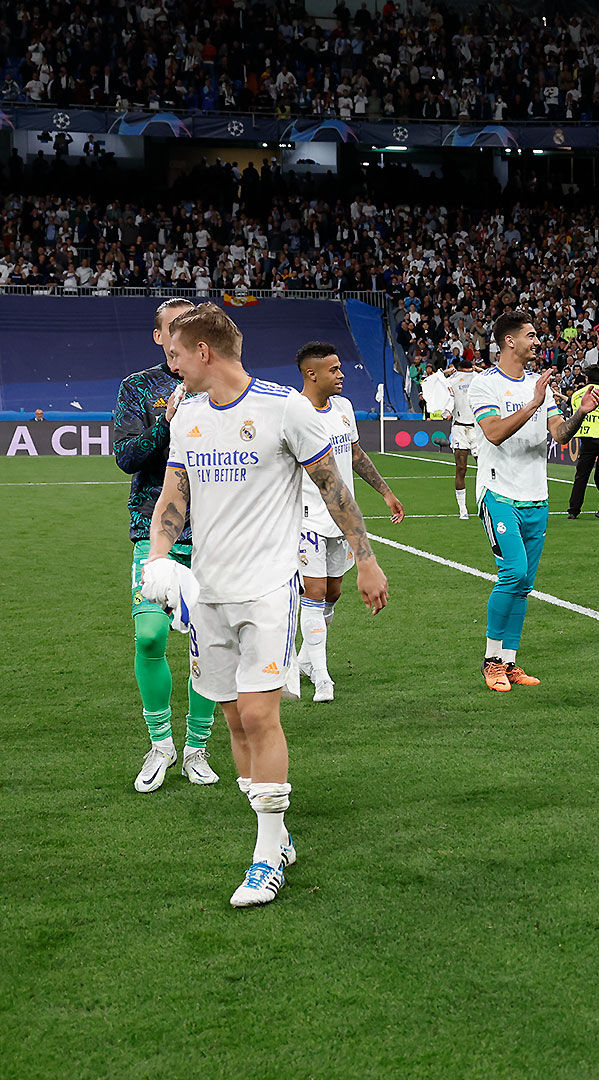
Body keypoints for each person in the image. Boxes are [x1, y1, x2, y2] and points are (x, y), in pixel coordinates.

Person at [143, 303, 389, 907]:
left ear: (204, 351)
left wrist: (365, 559)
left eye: (178, 353)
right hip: (209, 592)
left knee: (259, 715)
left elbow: (333, 487)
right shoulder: (190, 418)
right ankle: (274, 837)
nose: (172, 366)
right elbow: (174, 498)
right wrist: (157, 557)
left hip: (270, 588)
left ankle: (266, 851)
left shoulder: (285, 408)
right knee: (232, 719)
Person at [111, 297, 218, 792]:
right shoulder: (138, 387)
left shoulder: (219, 383)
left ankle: (197, 749)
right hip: (153, 530)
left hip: (215, 533)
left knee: (209, 645)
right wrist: (164, 424)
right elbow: (127, 457)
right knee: (150, 636)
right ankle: (160, 745)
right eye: (173, 329)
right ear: (159, 336)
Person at [470, 311, 599, 692]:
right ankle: (491, 660)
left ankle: (510, 663)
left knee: (524, 583)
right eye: (530, 335)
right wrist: (532, 404)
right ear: (509, 341)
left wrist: (580, 413)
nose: (537, 341)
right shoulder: (485, 385)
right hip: (499, 493)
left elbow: (560, 434)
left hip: (536, 497)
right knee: (511, 572)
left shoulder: (537, 384)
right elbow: (493, 433)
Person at [290, 342, 404, 703]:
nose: (341, 375)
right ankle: (322, 677)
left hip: (342, 519)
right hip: (305, 518)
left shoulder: (343, 408)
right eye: (334, 369)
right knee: (315, 593)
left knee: (334, 593)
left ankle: (304, 660)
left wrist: (384, 491)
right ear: (312, 374)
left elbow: (354, 453)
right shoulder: (292, 413)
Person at [565, 365, 599, 519]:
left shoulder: (577, 394)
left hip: (586, 439)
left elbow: (574, 410)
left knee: (581, 476)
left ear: (587, 378)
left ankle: (573, 510)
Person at [446, 355, 478, 519]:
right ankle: (462, 509)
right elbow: (430, 383)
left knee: (485, 467)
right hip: (459, 427)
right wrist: (446, 372)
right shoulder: (451, 381)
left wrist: (479, 370)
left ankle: (483, 503)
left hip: (477, 429)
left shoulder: (479, 378)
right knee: (461, 468)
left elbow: (497, 375)